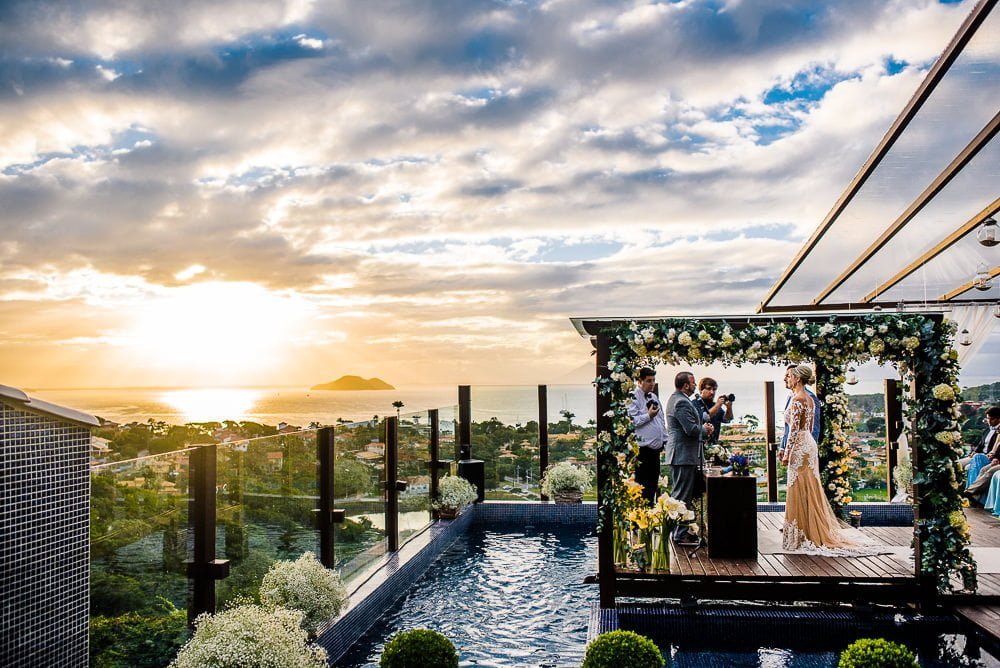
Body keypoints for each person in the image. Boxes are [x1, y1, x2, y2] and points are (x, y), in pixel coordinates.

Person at [782, 364, 855, 550]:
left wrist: (787, 452)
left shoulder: (799, 399)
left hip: (800, 445)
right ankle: (806, 531)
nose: (787, 379)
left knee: (799, 487)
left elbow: (794, 430)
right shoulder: (809, 398)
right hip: (808, 445)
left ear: (797, 378)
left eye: (789, 376)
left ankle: (804, 534)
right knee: (808, 486)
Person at [666, 371, 714, 544]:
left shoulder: (678, 398)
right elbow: (691, 429)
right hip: (682, 456)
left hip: (683, 455)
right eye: (693, 383)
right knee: (681, 496)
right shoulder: (680, 402)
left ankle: (682, 531)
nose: (695, 386)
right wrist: (706, 429)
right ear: (686, 385)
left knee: (683, 495)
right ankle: (679, 535)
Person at [627, 367, 666, 504]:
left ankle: (650, 519)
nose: (652, 383)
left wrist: (665, 439)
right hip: (643, 451)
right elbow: (632, 422)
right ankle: (640, 519)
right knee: (643, 488)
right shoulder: (633, 397)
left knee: (653, 487)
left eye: (654, 380)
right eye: (649, 381)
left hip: (656, 451)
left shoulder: (654, 397)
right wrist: (648, 415)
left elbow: (661, 419)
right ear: (640, 381)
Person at [779, 364, 821, 466]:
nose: (784, 379)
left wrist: (807, 450)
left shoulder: (809, 398)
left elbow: (813, 427)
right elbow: (787, 427)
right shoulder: (791, 397)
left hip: (802, 448)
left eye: (788, 376)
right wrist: (782, 447)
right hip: (793, 447)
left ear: (797, 378)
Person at [963, 406, 1000, 501]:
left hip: (989, 457)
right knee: (983, 470)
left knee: (989, 471)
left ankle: (970, 492)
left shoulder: (998, 431)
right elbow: (983, 445)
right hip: (986, 456)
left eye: (991, 419)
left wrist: (995, 457)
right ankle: (973, 495)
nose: (989, 421)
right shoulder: (988, 429)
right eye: (988, 418)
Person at [691, 377, 733, 445]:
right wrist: (718, 405)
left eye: (714, 389)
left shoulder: (715, 405)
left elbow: (727, 419)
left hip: (714, 445)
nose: (712, 392)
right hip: (698, 445)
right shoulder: (694, 404)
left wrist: (729, 407)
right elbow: (703, 417)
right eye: (709, 389)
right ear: (701, 390)